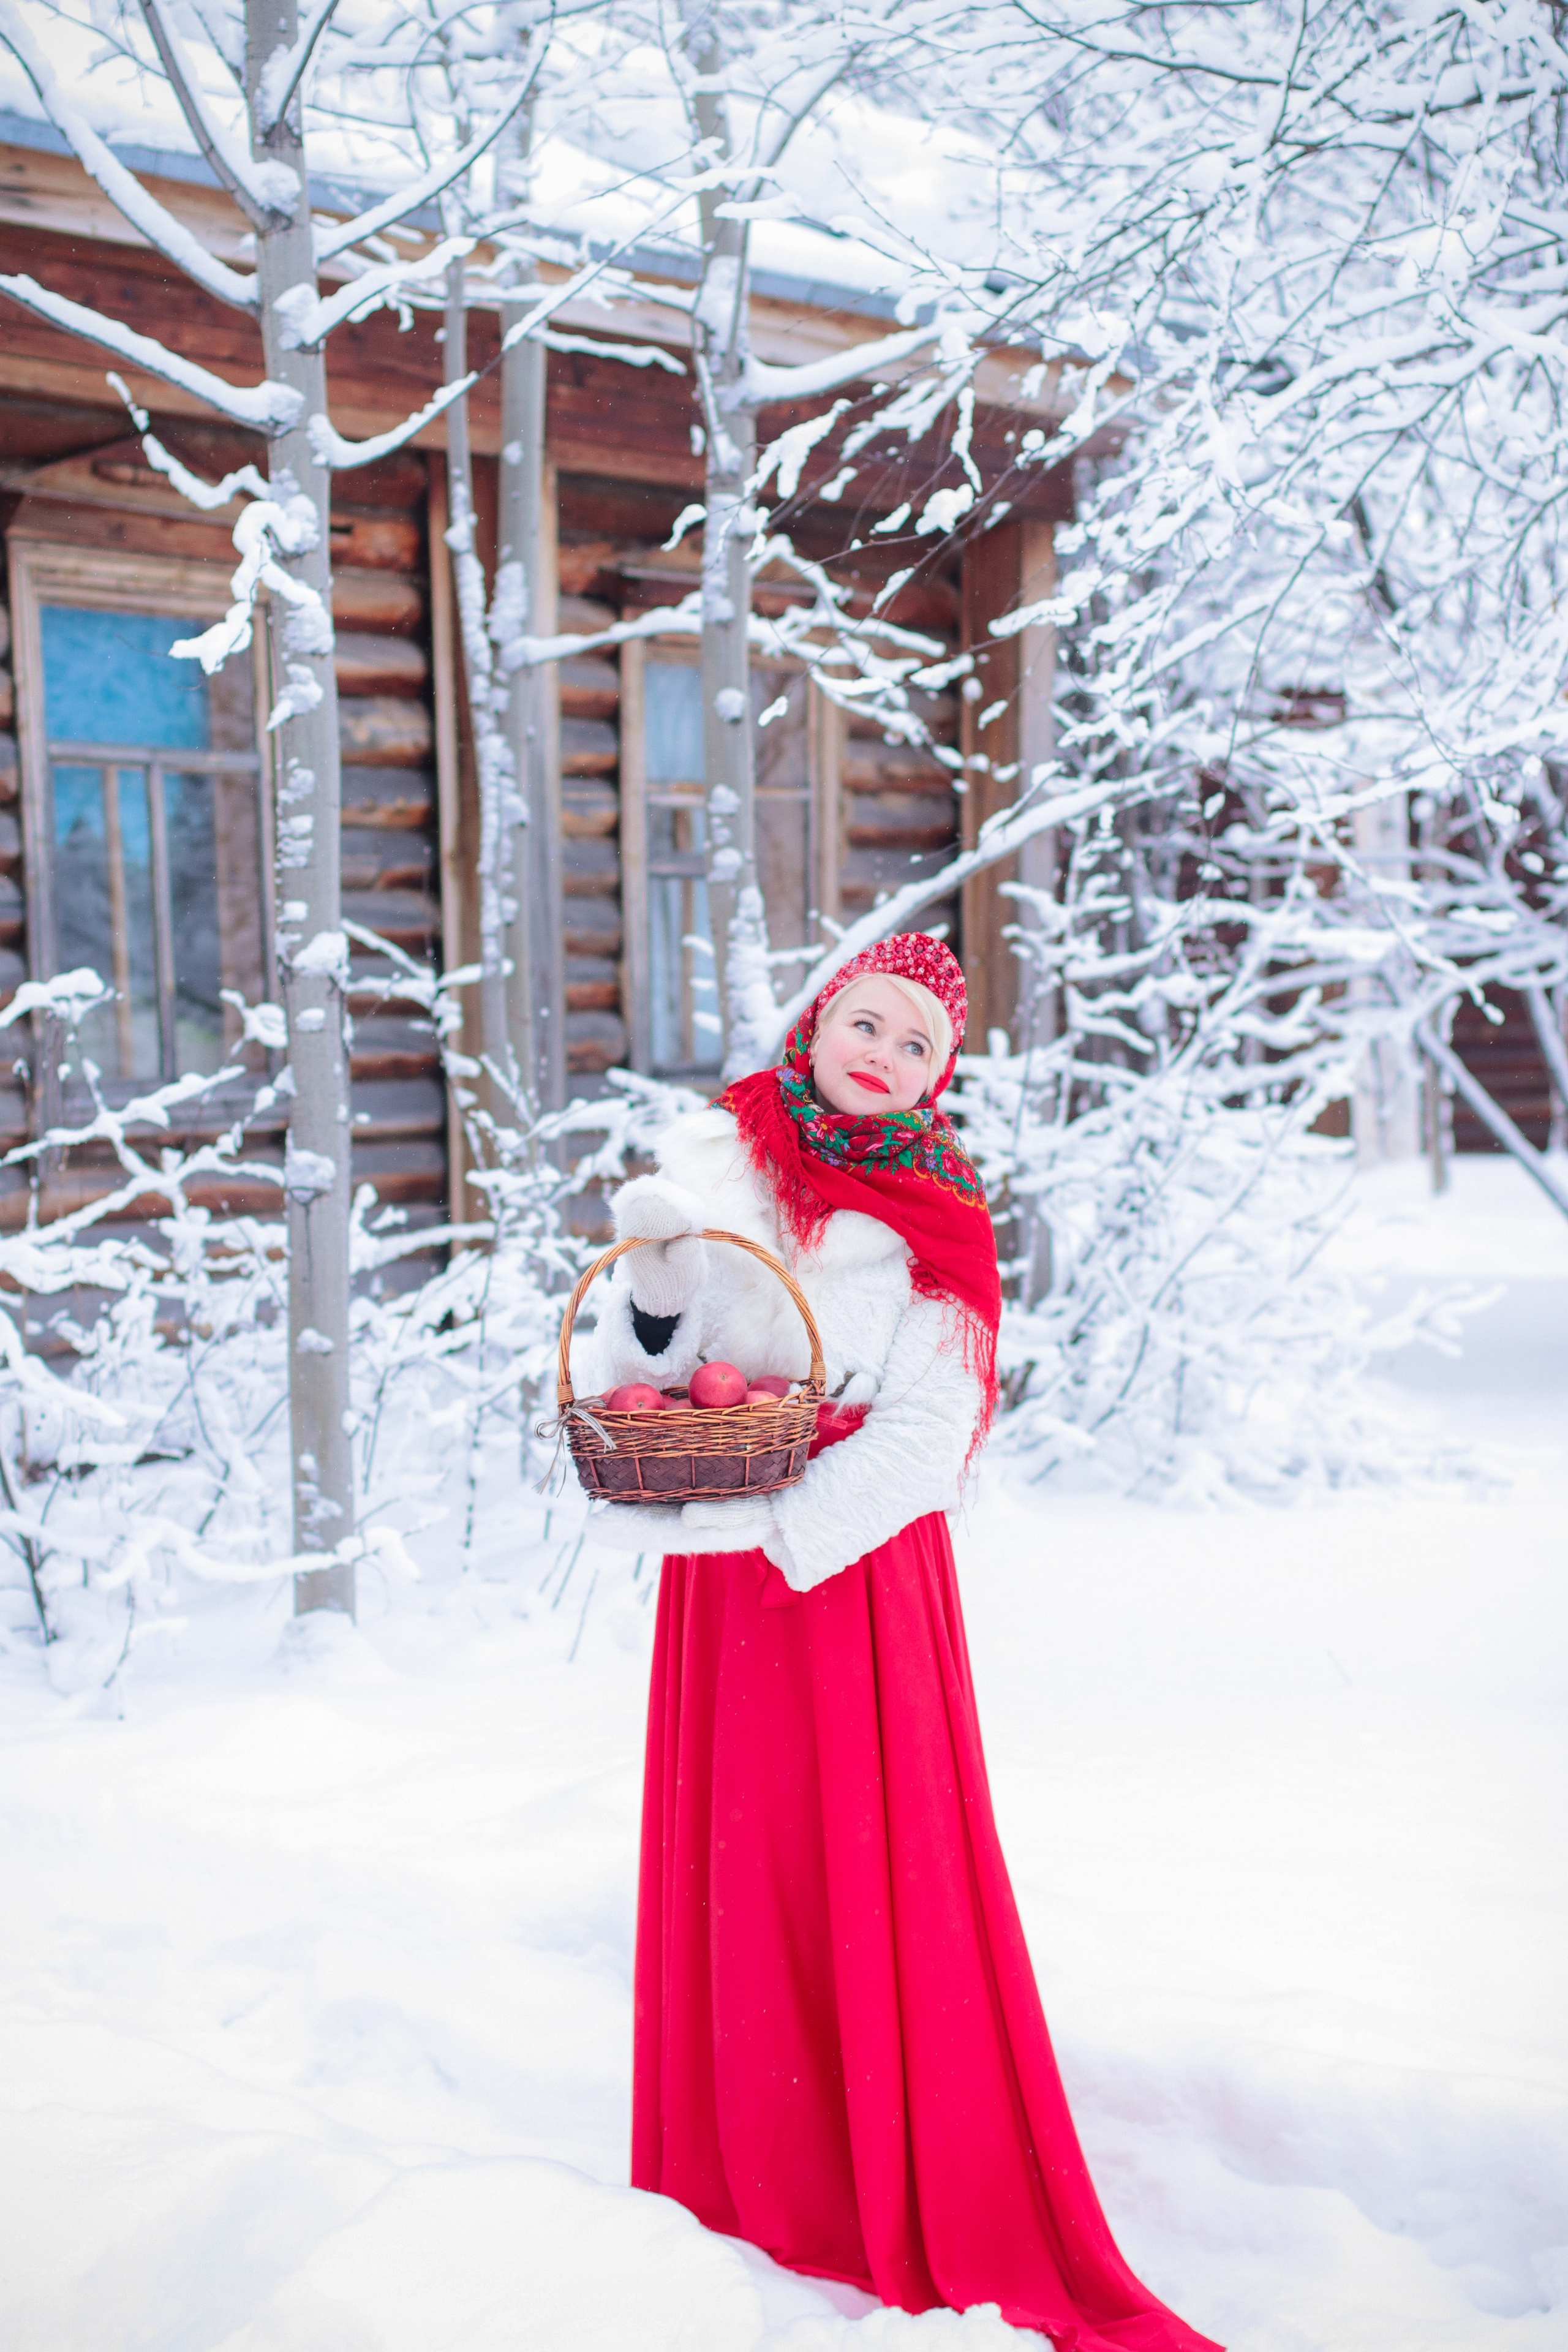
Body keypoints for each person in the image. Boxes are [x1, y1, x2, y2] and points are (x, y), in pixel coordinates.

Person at [583, 933, 1219, 2352]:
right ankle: (746, 2161)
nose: (881, 1052)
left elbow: (934, 1433)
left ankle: (894, 2154)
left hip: (852, 1572)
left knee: (873, 1865)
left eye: (916, 1045)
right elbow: (639, 1370)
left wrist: (788, 1530)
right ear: (816, 1023)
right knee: (738, 1863)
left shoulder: (936, 1207)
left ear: (937, 1081)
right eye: (863, 1023)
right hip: (719, 1570)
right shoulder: (710, 1162)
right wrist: (660, 1294)